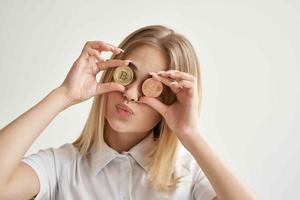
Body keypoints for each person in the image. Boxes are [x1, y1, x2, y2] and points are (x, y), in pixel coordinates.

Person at [0, 25, 260, 200]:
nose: (131, 94)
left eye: (152, 86)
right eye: (126, 75)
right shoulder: (63, 166)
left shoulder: (187, 174)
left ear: (171, 98)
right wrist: (64, 95)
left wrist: (188, 132)